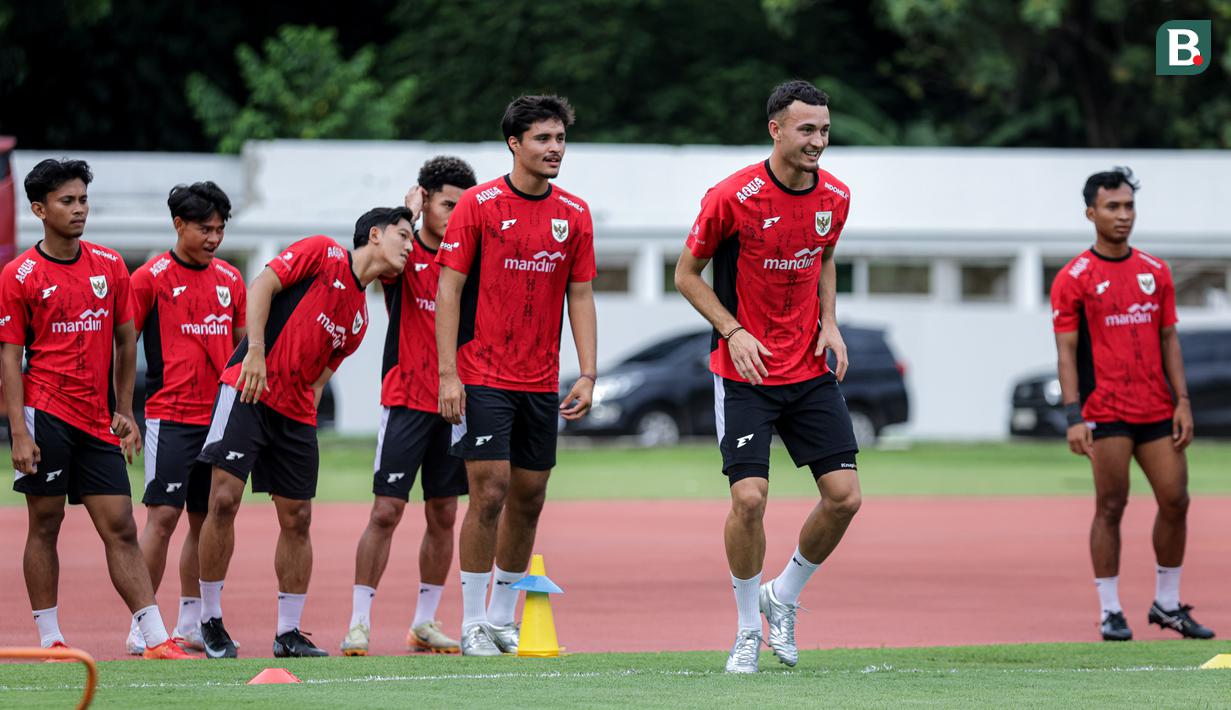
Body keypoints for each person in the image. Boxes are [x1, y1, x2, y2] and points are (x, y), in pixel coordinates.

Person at [674, 80, 860, 673]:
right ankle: (745, 631)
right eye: (807, 129)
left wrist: (830, 322)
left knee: (844, 498)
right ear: (775, 129)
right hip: (743, 371)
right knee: (749, 498)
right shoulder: (733, 197)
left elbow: (824, 255)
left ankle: (783, 598)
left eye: (825, 130)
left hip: (808, 369)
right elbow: (686, 275)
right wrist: (734, 330)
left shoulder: (836, 196)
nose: (819, 141)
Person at [195, 209, 413, 658]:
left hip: (294, 414)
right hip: (248, 389)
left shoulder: (359, 321)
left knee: (298, 519)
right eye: (404, 236)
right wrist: (254, 353)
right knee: (222, 500)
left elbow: (317, 382)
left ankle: (288, 633)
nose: (410, 247)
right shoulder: (322, 252)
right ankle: (210, 619)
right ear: (374, 235)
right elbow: (261, 287)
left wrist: (301, 422)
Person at [1, 158, 190, 659]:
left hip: (96, 419)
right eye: (68, 201)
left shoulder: (109, 266)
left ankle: (155, 637)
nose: (80, 209)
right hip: (46, 413)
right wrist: (18, 431)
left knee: (122, 524)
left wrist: (124, 408)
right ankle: (51, 638)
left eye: (84, 199)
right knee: (46, 523)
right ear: (40, 209)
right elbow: (9, 356)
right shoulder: (19, 274)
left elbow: (127, 342)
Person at [436, 95, 597, 656]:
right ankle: (472, 622)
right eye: (543, 139)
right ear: (514, 143)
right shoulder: (478, 205)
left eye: (560, 139)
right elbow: (448, 288)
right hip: (482, 372)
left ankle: (504, 618)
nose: (555, 149)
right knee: (490, 491)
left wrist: (588, 372)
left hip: (540, 379)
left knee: (530, 495)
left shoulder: (575, 213)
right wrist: (448, 374)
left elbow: (580, 294)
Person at [1050, 167, 1214, 642]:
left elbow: (1169, 340)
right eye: (1112, 207)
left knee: (1176, 500)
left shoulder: (1155, 271)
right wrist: (1073, 415)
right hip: (1106, 411)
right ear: (1091, 213)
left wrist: (1182, 400)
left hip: (1157, 408)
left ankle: (1167, 604)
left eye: (1128, 207)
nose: (1123, 216)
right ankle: (1110, 610)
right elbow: (1065, 352)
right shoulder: (1074, 278)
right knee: (1111, 505)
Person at [341, 157, 477, 656]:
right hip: (404, 401)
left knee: (444, 514)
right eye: (447, 204)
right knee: (386, 511)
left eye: (464, 206)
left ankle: (424, 621)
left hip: (455, 406)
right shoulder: (404, 256)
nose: (455, 214)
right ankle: (358, 622)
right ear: (425, 200)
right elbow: (380, 247)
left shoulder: (471, 260)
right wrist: (408, 213)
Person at [123, 182, 247, 655]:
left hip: (218, 420)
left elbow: (241, 347)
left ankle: (191, 622)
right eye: (204, 228)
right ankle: (144, 624)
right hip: (169, 417)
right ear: (179, 224)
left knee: (204, 521)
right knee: (162, 517)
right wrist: (121, 410)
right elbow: (124, 345)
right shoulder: (150, 277)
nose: (213, 237)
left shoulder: (232, 280)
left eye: (219, 229)